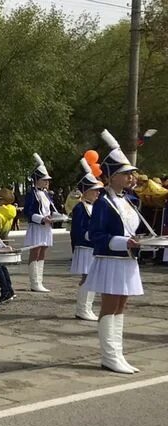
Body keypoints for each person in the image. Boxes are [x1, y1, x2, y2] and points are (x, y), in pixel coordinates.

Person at [86, 130, 145, 374]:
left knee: (122, 305)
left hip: (127, 260)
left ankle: (117, 353)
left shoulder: (128, 200)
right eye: (125, 174)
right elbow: (95, 236)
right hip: (111, 260)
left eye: (130, 173)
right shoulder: (102, 202)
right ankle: (109, 355)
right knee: (110, 306)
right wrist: (124, 242)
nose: (131, 178)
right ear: (111, 177)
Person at [70, 158, 104, 322]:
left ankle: (87, 308)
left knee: (92, 277)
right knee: (87, 277)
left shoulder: (93, 206)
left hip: (92, 246)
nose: (98, 193)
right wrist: (93, 235)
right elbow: (78, 230)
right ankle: (82, 309)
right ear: (86, 191)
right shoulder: (80, 207)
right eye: (95, 190)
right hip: (85, 247)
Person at [24, 153, 56, 293]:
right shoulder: (32, 194)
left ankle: (40, 280)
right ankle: (34, 282)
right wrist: (41, 219)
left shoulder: (47, 194)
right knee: (35, 252)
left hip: (46, 226)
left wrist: (53, 217)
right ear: (37, 180)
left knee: (43, 251)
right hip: (37, 227)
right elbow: (28, 212)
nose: (47, 183)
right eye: (44, 180)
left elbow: (49, 209)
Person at [0, 189, 18, 304]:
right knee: (3, 267)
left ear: (1, 200)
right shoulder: (10, 212)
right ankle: (10, 289)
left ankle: (5, 291)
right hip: (5, 241)